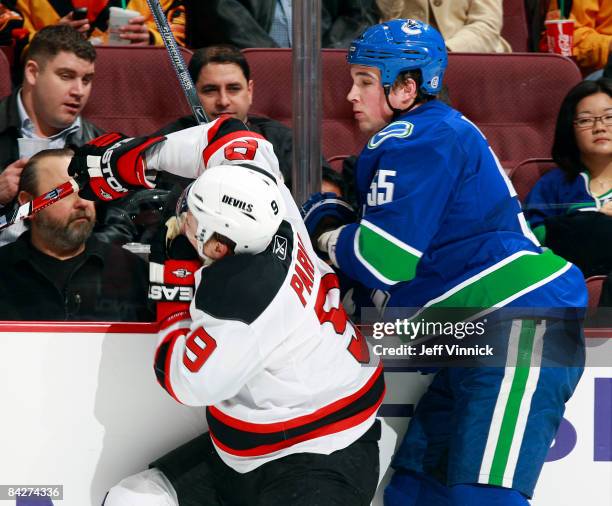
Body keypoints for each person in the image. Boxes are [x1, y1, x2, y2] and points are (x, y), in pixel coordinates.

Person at [299, 19, 585, 505]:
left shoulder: (416, 137)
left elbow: (382, 260)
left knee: (484, 498)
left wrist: (327, 233)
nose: (350, 95)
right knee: (413, 492)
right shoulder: (434, 134)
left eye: (366, 82)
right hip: (469, 337)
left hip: (518, 329)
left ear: (407, 87)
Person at [67, 131, 383, 504]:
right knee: (131, 499)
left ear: (219, 247)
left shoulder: (242, 295)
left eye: (193, 221)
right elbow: (229, 135)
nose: (183, 222)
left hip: (325, 453)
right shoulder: (265, 203)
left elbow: (185, 381)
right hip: (250, 450)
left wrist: (174, 282)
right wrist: (135, 158)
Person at [157, 44, 346, 195]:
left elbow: (329, 191)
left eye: (233, 88)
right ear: (193, 95)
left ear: (249, 91)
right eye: (210, 90)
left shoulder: (283, 140)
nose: (223, 101)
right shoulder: (167, 143)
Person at [0, 147, 153, 321]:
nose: (82, 202)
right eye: (64, 192)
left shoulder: (131, 271)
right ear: (28, 204)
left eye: (88, 189)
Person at [0, 24, 102, 244]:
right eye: (66, 76)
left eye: (87, 80)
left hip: (73, 268)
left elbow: (122, 223)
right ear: (32, 73)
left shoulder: (98, 145)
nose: (79, 91)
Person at [524, 78, 612, 277]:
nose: (600, 127)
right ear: (570, 130)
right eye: (586, 120)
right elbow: (529, 235)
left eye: (609, 117)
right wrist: (590, 223)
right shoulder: (552, 185)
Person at [184, 0, 379, 50]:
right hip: (243, 74)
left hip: (320, 80)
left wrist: (323, 60)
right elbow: (218, 13)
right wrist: (277, 65)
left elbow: (360, 16)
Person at [13, 0, 185, 47]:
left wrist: (151, 39)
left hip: (129, 85)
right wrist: (49, 38)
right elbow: (7, 41)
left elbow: (184, 35)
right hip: (46, 87)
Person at [376, 0, 511, 52]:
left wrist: (447, 49)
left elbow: (487, 24)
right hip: (407, 55)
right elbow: (386, 20)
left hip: (468, 52)